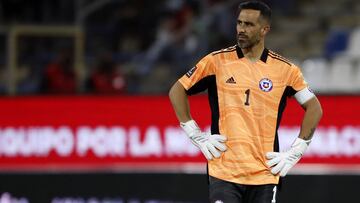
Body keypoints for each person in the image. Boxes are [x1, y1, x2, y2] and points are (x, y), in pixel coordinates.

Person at [168, 1, 323, 203]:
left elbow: (314, 107)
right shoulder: (216, 62)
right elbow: (177, 90)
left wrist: (296, 151)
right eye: (239, 23)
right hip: (224, 171)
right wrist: (195, 134)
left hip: (265, 174)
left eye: (249, 25)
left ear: (264, 29)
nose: (241, 29)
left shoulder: (285, 70)